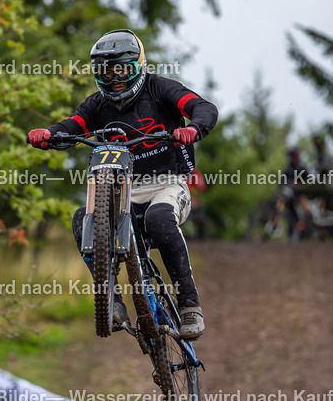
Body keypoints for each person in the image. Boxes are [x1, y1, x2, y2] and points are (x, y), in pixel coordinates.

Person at [28, 29, 218, 340]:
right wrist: (49, 134)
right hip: (122, 190)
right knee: (82, 219)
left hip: (168, 184)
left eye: (123, 69)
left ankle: (189, 305)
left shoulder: (161, 89)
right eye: (106, 71)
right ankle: (111, 299)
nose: (115, 79)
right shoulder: (96, 104)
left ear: (138, 65)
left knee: (159, 219)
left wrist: (194, 127)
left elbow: (203, 107)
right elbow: (73, 125)